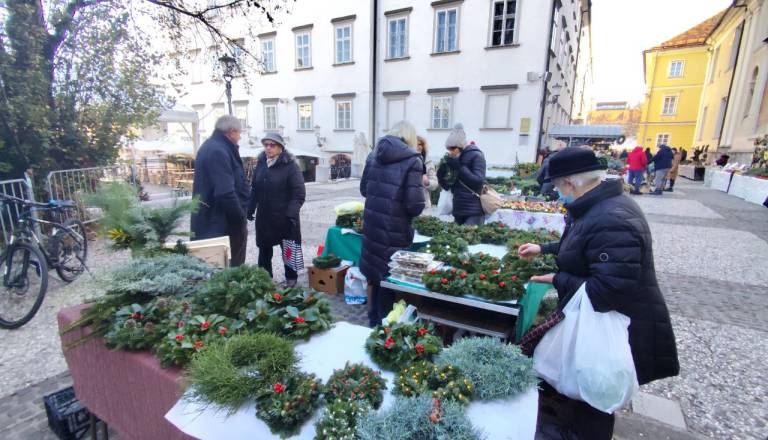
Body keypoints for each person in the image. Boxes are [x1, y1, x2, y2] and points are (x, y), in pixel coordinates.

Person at [518, 147, 679, 440]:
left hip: (611, 326)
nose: (556, 193)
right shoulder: (597, 205)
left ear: (570, 182)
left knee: (593, 396)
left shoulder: (611, 218)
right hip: (601, 319)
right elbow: (582, 244)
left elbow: (608, 290)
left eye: (556, 186)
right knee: (583, 394)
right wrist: (544, 249)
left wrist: (558, 278)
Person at [359, 121, 425, 327]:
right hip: (394, 230)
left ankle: (373, 320)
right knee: (388, 279)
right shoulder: (413, 161)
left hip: (373, 226)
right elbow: (414, 205)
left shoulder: (373, 156)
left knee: (375, 275)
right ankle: (384, 328)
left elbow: (363, 189)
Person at [247, 132, 306, 287]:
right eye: (266, 145)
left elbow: (299, 194)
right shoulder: (260, 164)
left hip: (285, 217)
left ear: (281, 147)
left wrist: (291, 214)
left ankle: (291, 279)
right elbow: (255, 189)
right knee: (264, 250)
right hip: (265, 216)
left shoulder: (291, 166)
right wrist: (250, 208)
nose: (268, 148)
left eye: (272, 145)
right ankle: (265, 280)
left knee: (288, 249)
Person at [191, 115, 249, 266]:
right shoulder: (218, 151)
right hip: (219, 223)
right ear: (231, 132)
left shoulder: (215, 147)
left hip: (216, 221)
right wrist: (240, 217)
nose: (240, 137)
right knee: (227, 269)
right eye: (239, 133)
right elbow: (225, 192)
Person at [436, 123, 486, 225]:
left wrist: (459, 167)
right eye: (449, 149)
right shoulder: (457, 158)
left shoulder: (477, 155)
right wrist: (441, 174)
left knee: (470, 240)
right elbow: (448, 186)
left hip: (473, 211)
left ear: (460, 147)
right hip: (458, 210)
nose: (451, 152)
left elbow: (478, 181)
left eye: (452, 149)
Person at [416, 136, 439, 208]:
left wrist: (427, 182)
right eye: (416, 144)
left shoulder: (428, 162)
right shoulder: (405, 160)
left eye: (420, 144)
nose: (418, 147)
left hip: (423, 204)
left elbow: (435, 184)